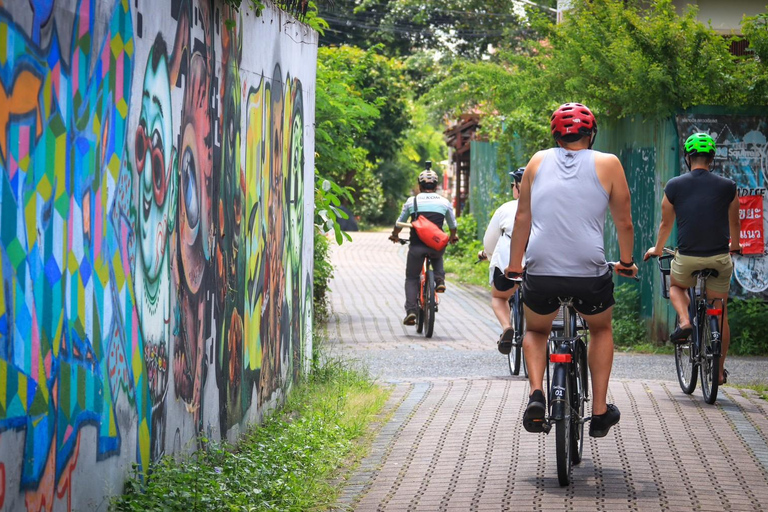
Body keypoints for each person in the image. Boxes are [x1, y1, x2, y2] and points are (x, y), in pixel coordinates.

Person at [505, 102, 638, 438]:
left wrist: (514, 264)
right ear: (591, 134)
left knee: (536, 331)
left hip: (541, 269)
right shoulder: (608, 163)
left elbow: (523, 218)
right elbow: (624, 222)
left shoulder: (536, 161)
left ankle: (537, 394)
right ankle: (599, 411)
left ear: (555, 135)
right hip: (589, 271)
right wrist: (625, 261)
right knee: (600, 329)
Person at [643, 132, 740, 385]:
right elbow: (735, 223)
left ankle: (685, 321)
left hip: (687, 258)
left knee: (676, 286)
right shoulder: (728, 187)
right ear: (712, 159)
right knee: (719, 311)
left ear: (688, 158)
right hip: (719, 258)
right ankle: (718, 373)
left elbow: (666, 223)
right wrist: (736, 246)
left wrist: (657, 248)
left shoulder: (674, 185)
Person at [389, 162, 458, 326]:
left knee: (412, 278)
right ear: (436, 185)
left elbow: (400, 223)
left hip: (417, 247)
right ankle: (440, 281)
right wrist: (453, 237)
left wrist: (394, 235)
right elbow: (453, 226)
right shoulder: (444, 202)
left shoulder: (412, 202)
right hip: (435, 245)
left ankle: (411, 311)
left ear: (420, 186)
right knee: (439, 250)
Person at [478, 168, 525, 354]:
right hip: (540, 267)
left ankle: (507, 327)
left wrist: (487, 255)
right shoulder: (550, 207)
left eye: (513, 185)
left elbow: (490, 242)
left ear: (518, 188)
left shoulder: (506, 208)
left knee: (499, 297)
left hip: (508, 268)